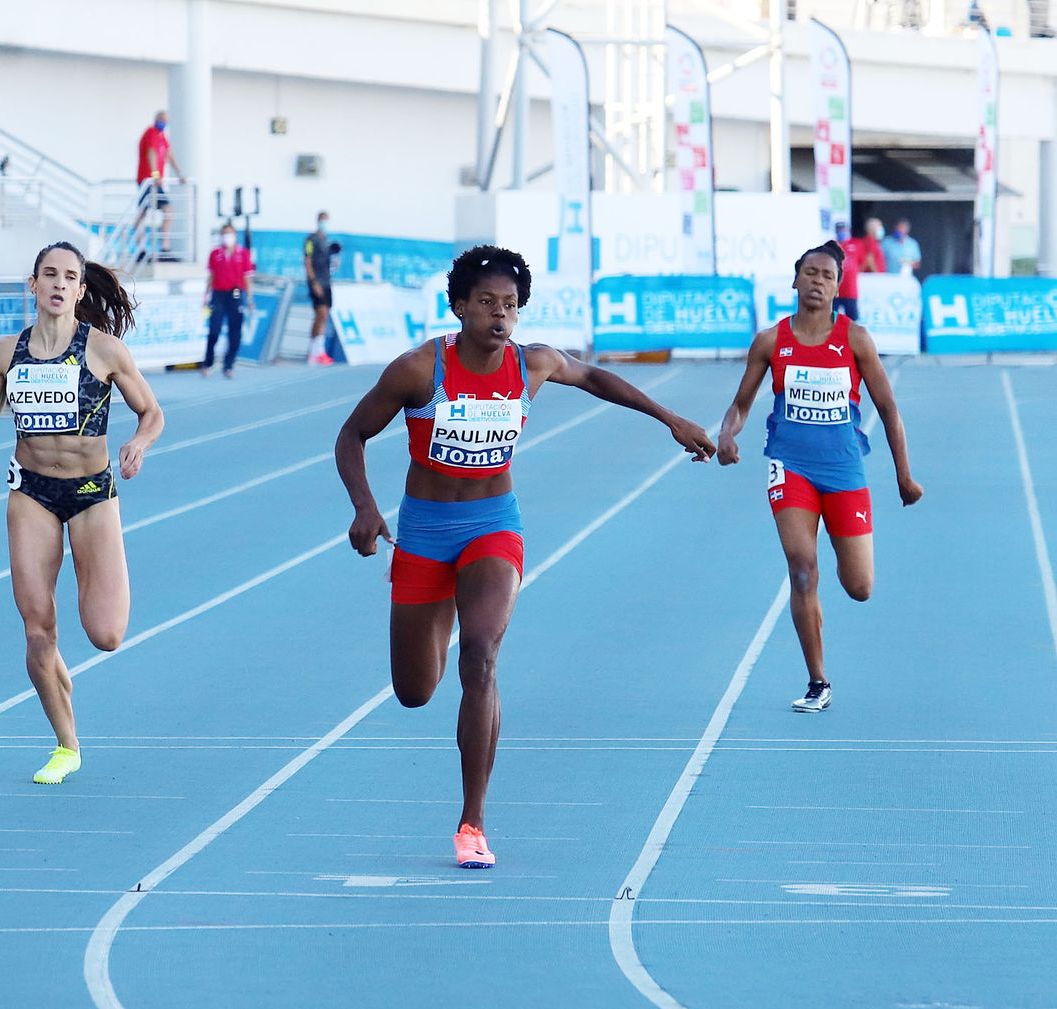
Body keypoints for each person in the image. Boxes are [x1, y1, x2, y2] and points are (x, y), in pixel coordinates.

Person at [334, 245, 715, 869]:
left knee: (481, 655)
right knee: (414, 691)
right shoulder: (419, 370)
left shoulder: (530, 363)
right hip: (425, 531)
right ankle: (442, 620)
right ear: (459, 307)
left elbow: (594, 378)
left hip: (493, 526)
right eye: (486, 302)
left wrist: (668, 418)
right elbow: (351, 434)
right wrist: (365, 508)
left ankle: (472, 823)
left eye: (510, 305)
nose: (500, 315)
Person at [0, 241, 164, 784]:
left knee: (106, 634)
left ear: (80, 289)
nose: (58, 284)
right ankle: (66, 744)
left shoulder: (105, 350)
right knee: (37, 629)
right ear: (33, 284)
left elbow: (152, 412)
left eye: (69, 277)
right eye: (49, 274)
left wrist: (138, 443)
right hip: (32, 493)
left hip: (92, 493)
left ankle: (67, 663)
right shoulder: (7, 353)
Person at [717, 239, 923, 712]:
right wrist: (728, 434)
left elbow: (889, 409)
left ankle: (839, 566)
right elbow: (741, 404)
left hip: (844, 469)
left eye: (827, 276)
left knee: (859, 587)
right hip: (790, 466)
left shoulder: (856, 339)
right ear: (795, 280)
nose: (816, 281)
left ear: (837, 287)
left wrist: (904, 477)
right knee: (803, 570)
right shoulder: (771, 341)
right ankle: (818, 681)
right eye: (810, 272)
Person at [202, 222, 254, 378]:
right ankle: (208, 362)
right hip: (218, 294)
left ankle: (229, 365)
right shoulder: (215, 253)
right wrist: (206, 295)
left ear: (235, 235)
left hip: (235, 293)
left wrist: (250, 299)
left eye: (230, 233)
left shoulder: (243, 253)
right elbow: (211, 276)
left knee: (235, 330)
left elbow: (247, 278)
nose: (227, 237)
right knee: (214, 329)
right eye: (225, 234)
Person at [135, 110, 184, 258]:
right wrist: (156, 175)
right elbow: (151, 153)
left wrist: (180, 174)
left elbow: (169, 155)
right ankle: (153, 247)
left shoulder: (162, 136)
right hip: (149, 181)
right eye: (161, 119)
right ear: (156, 118)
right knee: (160, 211)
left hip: (154, 182)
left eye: (166, 120)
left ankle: (161, 247)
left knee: (145, 213)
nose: (164, 122)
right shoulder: (151, 132)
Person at [303, 212, 339, 363]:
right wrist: (313, 282)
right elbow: (307, 261)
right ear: (318, 221)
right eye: (323, 221)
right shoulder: (311, 240)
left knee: (324, 315)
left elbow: (330, 263)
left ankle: (318, 351)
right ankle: (315, 351)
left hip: (326, 282)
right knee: (321, 313)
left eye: (327, 221)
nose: (325, 224)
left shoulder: (326, 241)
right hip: (316, 282)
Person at [834, 220, 864, 320]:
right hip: (834, 290)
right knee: (831, 320)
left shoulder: (856, 244)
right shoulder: (831, 245)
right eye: (839, 230)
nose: (841, 232)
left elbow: (862, 262)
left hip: (850, 291)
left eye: (843, 230)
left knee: (852, 320)